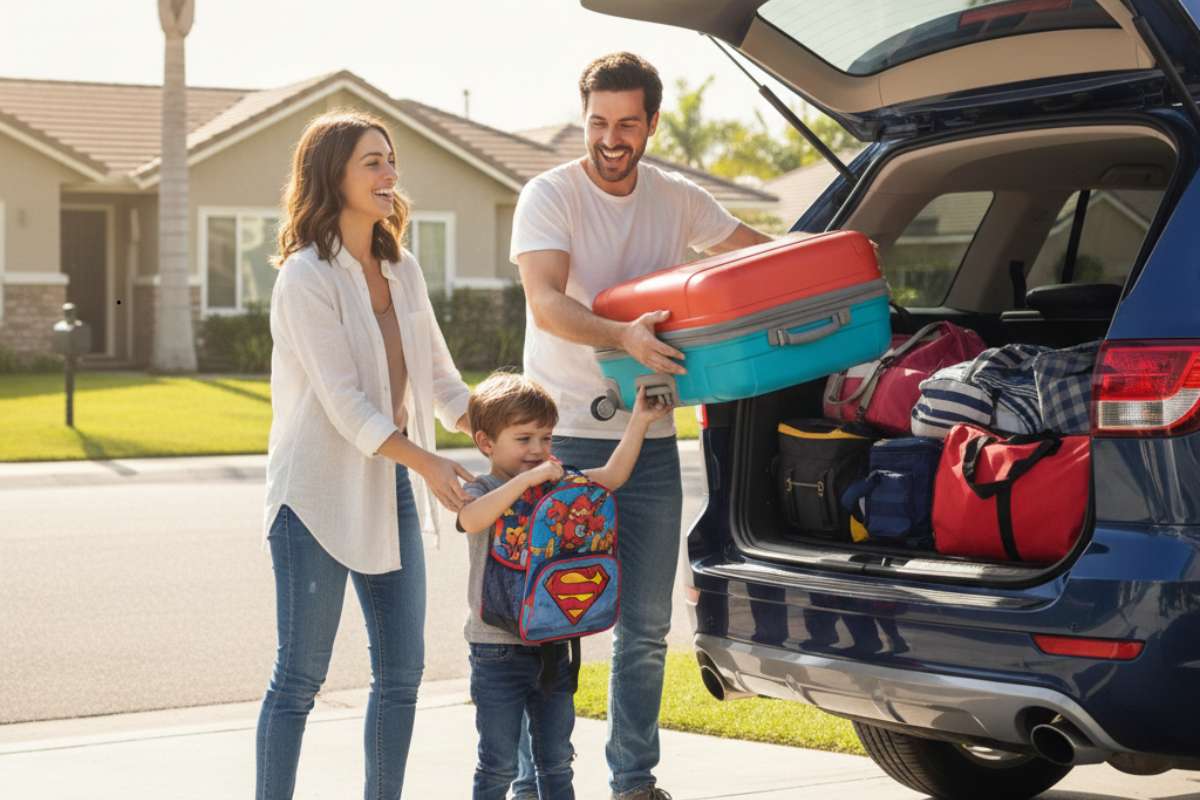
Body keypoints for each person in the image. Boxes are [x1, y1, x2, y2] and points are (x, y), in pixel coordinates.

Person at [510, 52, 773, 800]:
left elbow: (756, 253)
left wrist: (842, 257)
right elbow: (548, 304)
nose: (611, 138)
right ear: (584, 119)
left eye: (628, 123)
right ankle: (535, 784)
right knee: (552, 620)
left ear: (652, 123)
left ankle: (633, 780)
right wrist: (623, 337)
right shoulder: (549, 195)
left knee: (648, 625)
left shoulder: (677, 198)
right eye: (598, 122)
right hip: (557, 437)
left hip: (649, 439)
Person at [256, 110, 475, 800]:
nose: (390, 175)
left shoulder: (400, 265)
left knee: (403, 673)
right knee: (299, 677)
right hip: (314, 499)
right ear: (334, 176)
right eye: (372, 162)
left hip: (390, 491)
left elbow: (438, 378)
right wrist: (431, 464)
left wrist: (498, 428)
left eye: (391, 160)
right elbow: (347, 406)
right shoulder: (304, 278)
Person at [457, 372, 671, 800]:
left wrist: (641, 422)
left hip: (554, 646)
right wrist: (525, 483)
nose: (537, 450)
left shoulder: (556, 480)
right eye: (524, 439)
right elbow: (470, 519)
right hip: (496, 650)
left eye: (546, 438)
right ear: (486, 443)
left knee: (557, 760)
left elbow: (611, 476)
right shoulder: (486, 488)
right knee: (497, 762)